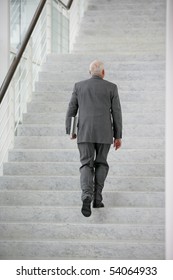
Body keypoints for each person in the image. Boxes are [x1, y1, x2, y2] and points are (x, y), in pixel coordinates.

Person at [65, 60, 122, 217]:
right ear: (103, 73)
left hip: (85, 132)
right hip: (104, 134)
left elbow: (71, 109)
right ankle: (97, 199)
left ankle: (86, 195)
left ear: (89, 72)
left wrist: (71, 130)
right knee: (101, 163)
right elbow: (116, 113)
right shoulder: (111, 87)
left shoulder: (79, 86)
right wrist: (118, 136)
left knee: (86, 165)